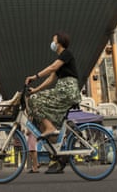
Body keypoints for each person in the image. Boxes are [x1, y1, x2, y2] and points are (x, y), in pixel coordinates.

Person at [25, 32, 81, 174]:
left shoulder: (66, 54)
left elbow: (51, 68)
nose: (52, 43)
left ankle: (50, 129)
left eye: (53, 40)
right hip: (62, 89)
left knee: (34, 100)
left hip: (67, 90)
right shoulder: (61, 60)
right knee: (35, 98)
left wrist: (34, 76)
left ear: (59, 43)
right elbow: (50, 79)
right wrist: (35, 89)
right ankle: (54, 134)